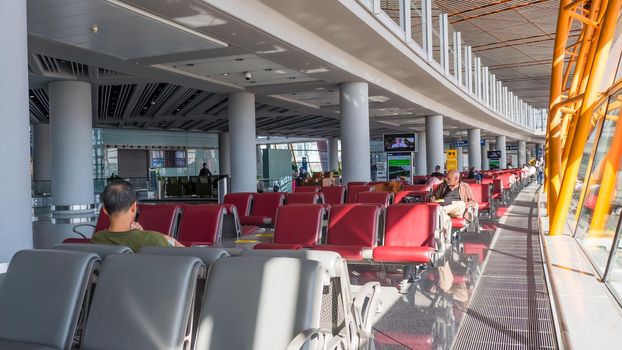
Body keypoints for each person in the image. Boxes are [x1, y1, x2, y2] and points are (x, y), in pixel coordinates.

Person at [92, 180, 183, 252]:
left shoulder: (97, 239)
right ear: (133, 207)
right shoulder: (154, 240)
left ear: (104, 209)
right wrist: (170, 240)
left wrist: (137, 234)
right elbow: (190, 259)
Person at [431, 169, 477, 235]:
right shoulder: (442, 186)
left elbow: (473, 202)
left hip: (457, 210)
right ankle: (447, 238)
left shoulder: (465, 186)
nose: (446, 180)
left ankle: (440, 210)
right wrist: (433, 200)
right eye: (446, 178)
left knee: (461, 204)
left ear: (456, 178)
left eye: (449, 178)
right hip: (445, 210)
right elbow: (434, 197)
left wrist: (465, 205)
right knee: (444, 217)